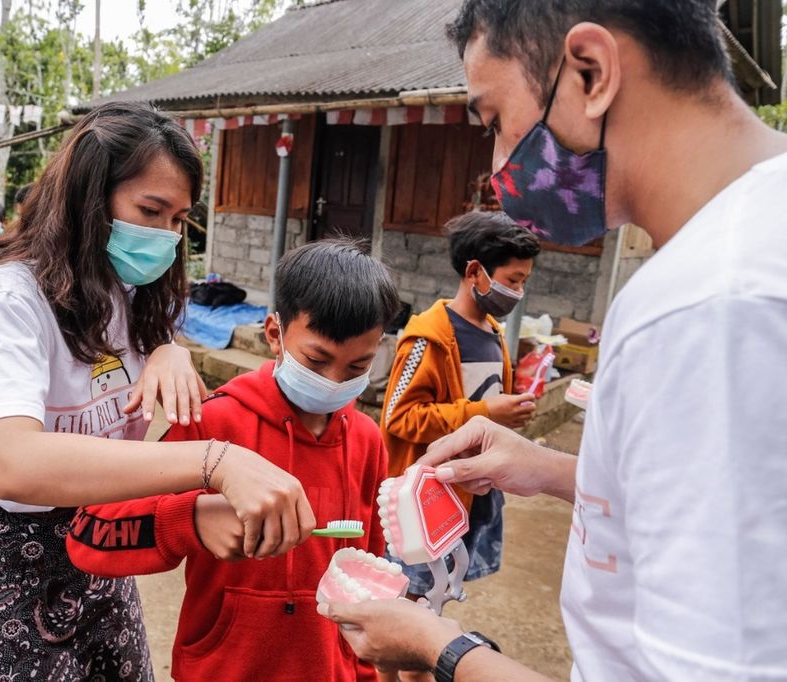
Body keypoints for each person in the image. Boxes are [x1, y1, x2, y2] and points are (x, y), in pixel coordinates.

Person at [320, 1, 787, 680]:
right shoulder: (751, 248)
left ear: (591, 72)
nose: (499, 161)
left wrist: (439, 648)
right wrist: (556, 470)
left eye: (495, 121)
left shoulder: (707, 308)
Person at [0, 102, 315, 681]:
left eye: (178, 220)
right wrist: (214, 461)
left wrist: (167, 349)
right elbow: (13, 462)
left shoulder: (128, 293)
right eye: (150, 210)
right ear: (87, 198)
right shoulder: (9, 300)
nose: (166, 236)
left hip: (105, 548)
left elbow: (139, 348)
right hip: (8, 565)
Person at [68, 239, 400, 682]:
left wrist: (361, 671)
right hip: (224, 669)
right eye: (317, 361)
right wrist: (191, 520)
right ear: (274, 334)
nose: (334, 383)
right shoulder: (213, 424)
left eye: (357, 368)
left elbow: (368, 572)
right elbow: (92, 532)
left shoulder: (366, 440)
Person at [377, 211, 539, 682]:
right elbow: (398, 417)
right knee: (409, 603)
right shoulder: (428, 339)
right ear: (475, 272)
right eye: (512, 280)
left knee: (435, 598)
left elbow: (485, 404)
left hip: (471, 497)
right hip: (430, 501)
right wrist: (486, 414)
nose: (518, 292)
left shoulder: (494, 334)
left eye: (524, 281)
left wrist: (507, 410)